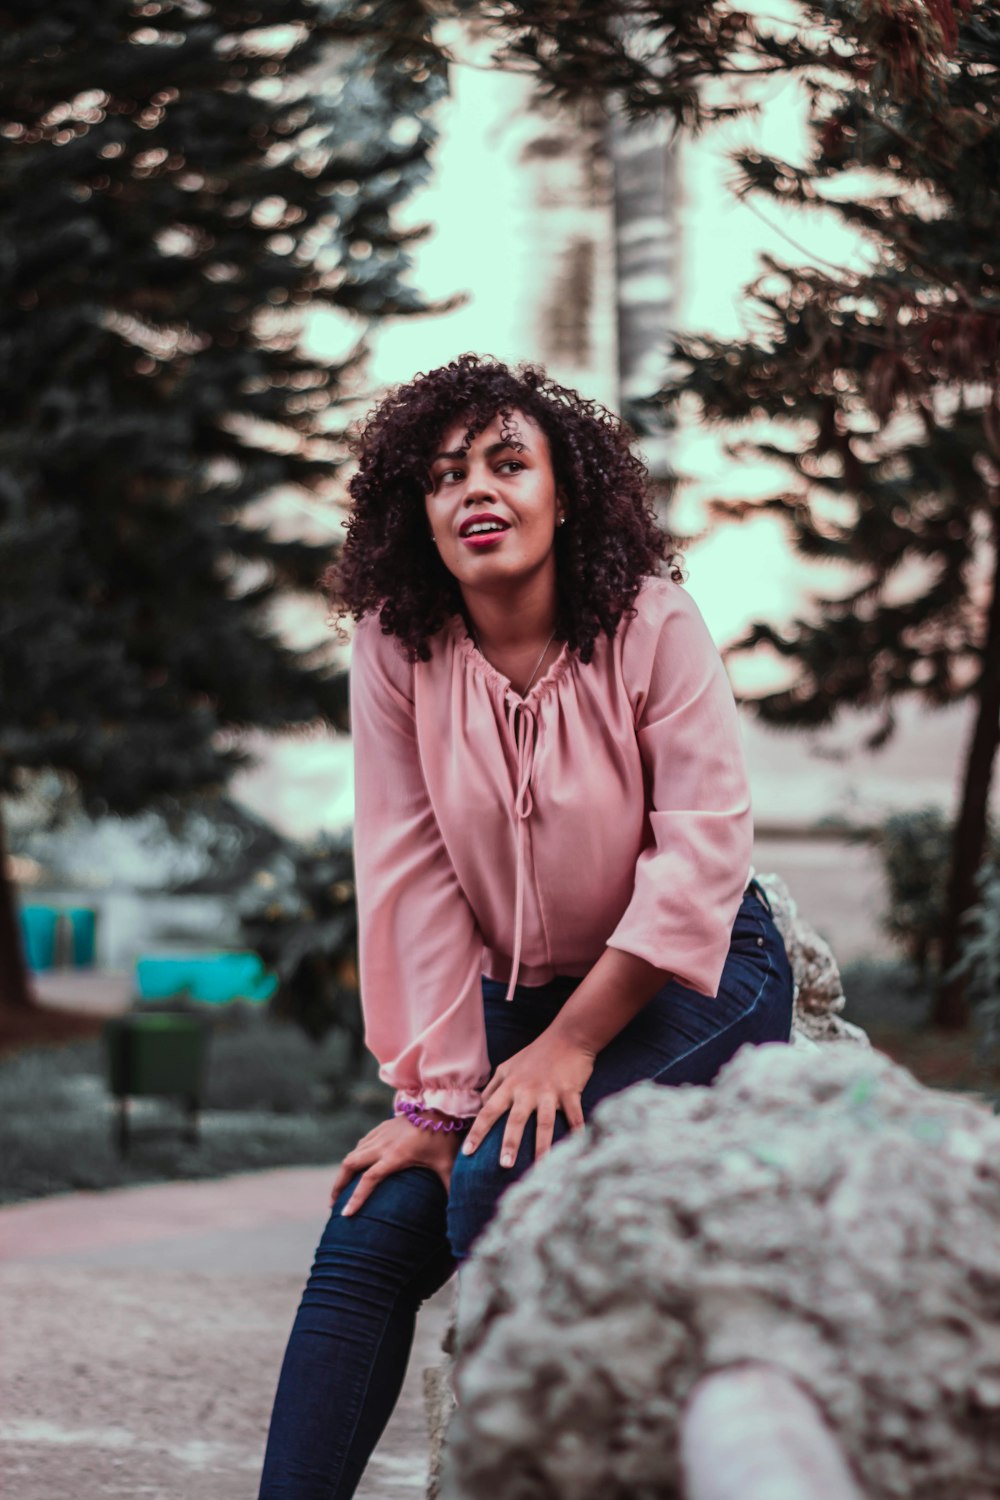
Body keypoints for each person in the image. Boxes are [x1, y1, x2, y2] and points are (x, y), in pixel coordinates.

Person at [257, 354, 794, 1499]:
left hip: (694, 980)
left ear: (565, 493)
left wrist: (568, 1045)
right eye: (444, 475)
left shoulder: (653, 623)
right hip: (517, 1000)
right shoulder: (396, 646)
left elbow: (700, 855)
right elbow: (410, 876)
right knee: (367, 1228)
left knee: (503, 1170)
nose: (475, 491)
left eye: (507, 461)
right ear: (420, 515)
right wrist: (439, 1099)